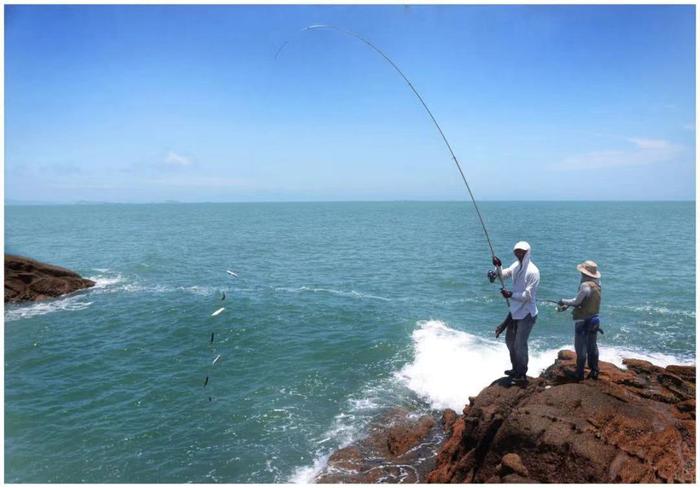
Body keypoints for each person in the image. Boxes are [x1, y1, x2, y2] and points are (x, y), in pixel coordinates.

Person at [488, 241, 540, 386]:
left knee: (520, 344)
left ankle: (522, 374)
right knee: (510, 341)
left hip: (527, 313)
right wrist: (498, 266)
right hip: (515, 311)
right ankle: (515, 368)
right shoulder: (516, 266)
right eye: (517, 251)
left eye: (522, 251)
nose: (519, 253)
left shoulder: (533, 271)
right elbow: (502, 276)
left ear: (528, 252)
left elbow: (528, 296)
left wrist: (510, 294)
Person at [557, 260, 602, 381]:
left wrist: (563, 301)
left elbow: (577, 301)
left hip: (582, 321)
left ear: (584, 273)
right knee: (592, 346)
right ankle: (594, 370)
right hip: (594, 319)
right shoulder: (597, 284)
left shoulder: (585, 285)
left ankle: (579, 373)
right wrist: (570, 305)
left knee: (580, 348)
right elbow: (584, 300)